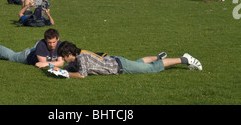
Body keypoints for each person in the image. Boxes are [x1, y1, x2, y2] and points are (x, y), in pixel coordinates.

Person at [53, 41, 202, 78]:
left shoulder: (81, 58)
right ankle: (158, 56)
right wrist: (60, 69)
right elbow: (72, 67)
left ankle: (184, 59)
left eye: (64, 56)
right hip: (117, 61)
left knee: (152, 68)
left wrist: (63, 73)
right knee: (139, 63)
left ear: (70, 53)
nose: (64, 60)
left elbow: (82, 75)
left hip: (120, 66)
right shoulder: (79, 56)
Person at [0, 28, 64, 68]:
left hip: (38, 53)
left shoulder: (60, 45)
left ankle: (36, 46)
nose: (52, 45)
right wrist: (53, 63)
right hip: (28, 56)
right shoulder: (42, 45)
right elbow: (42, 64)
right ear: (45, 40)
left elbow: (61, 62)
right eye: (49, 42)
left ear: (58, 39)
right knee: (12, 56)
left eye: (54, 42)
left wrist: (49, 64)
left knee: (39, 49)